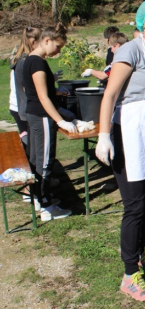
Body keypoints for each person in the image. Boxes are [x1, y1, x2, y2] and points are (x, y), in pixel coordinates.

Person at [95, 0, 145, 302]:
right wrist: (104, 136)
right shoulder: (131, 50)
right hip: (128, 132)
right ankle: (130, 275)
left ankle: (140, 257)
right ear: (142, 22)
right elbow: (110, 94)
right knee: (133, 205)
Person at [23, 23, 76, 221]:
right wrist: (60, 120)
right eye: (58, 47)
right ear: (47, 40)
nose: (59, 51)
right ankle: (47, 207)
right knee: (45, 161)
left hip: (34, 114)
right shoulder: (37, 63)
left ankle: (38, 198)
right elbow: (43, 97)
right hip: (42, 117)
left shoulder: (31, 59)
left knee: (37, 160)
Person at [9, 27, 42, 152]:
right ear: (33, 42)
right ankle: (30, 168)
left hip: (16, 104)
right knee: (30, 143)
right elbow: (28, 87)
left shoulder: (18, 58)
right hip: (22, 106)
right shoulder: (25, 61)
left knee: (28, 139)